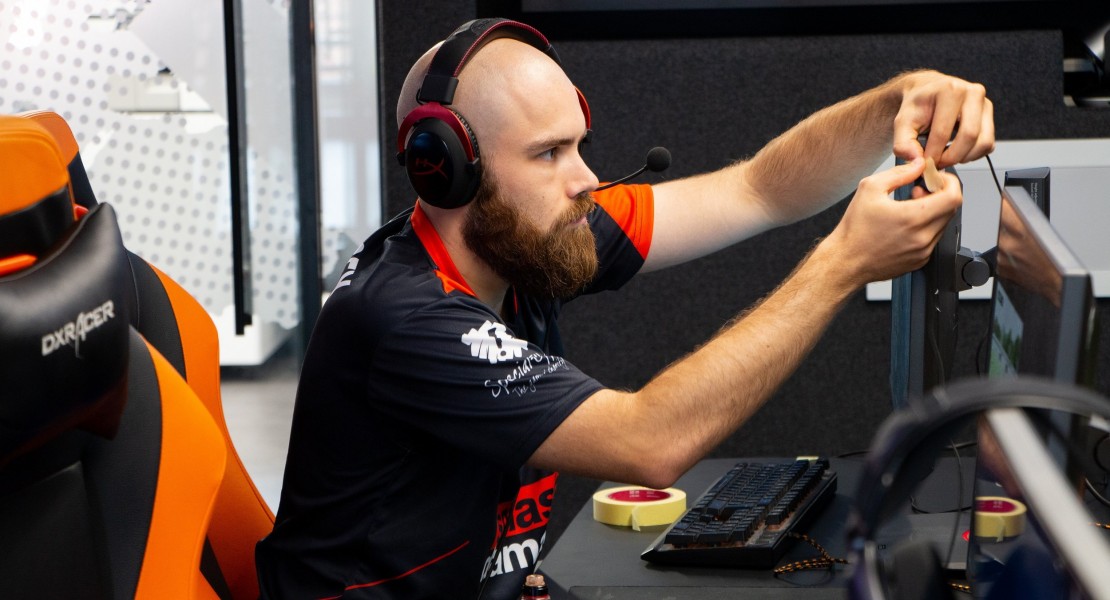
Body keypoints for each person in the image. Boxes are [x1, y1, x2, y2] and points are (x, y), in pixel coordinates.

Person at [255, 17, 994, 600]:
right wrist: (844, 263)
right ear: (444, 169)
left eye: (579, 146)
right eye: (549, 155)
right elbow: (648, 442)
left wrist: (900, 101)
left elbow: (761, 188)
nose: (586, 180)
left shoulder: (527, 236)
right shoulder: (407, 319)